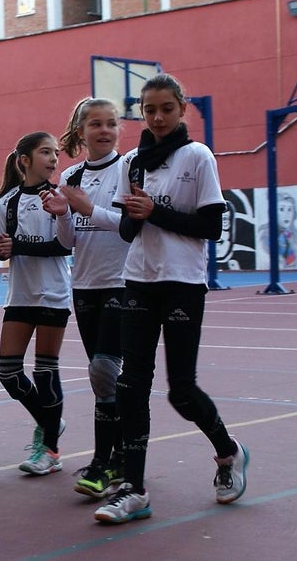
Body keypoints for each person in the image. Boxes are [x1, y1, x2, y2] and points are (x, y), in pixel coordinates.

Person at [96, 73, 248, 524]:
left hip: (182, 282)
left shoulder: (197, 156)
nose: (158, 118)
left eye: (166, 109)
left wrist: (154, 211)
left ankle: (228, 452)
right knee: (130, 385)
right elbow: (128, 230)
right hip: (138, 280)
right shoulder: (131, 163)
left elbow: (211, 227)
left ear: (182, 108)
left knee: (180, 390)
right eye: (150, 110)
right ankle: (134, 489)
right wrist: (134, 214)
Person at [41, 98, 130, 498]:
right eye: (96, 124)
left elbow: (129, 227)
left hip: (122, 281)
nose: (104, 130)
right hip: (85, 285)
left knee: (104, 370)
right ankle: (117, 457)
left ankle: (103, 461)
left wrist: (89, 208)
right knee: (103, 379)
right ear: (82, 132)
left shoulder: (128, 169)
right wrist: (63, 214)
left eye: (111, 123)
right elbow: (67, 242)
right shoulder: (72, 176)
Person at [0, 131, 73, 476]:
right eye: (45, 152)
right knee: (8, 372)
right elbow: (2, 246)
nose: (53, 159)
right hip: (20, 294)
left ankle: (49, 450)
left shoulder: (59, 197)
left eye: (55, 153)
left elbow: (64, 246)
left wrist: (18, 246)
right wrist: (0, 250)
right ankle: (50, 421)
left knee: (45, 371)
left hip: (53, 292)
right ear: (24, 160)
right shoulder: (7, 202)